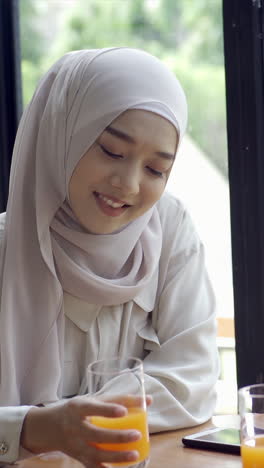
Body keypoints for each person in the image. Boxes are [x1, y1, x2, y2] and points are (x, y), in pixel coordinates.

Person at [0, 47, 219, 467]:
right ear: (62, 131)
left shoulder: (168, 227)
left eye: (156, 170)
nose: (129, 184)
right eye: (112, 151)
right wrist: (40, 427)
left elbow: (195, 377)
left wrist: (78, 420)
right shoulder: (5, 251)